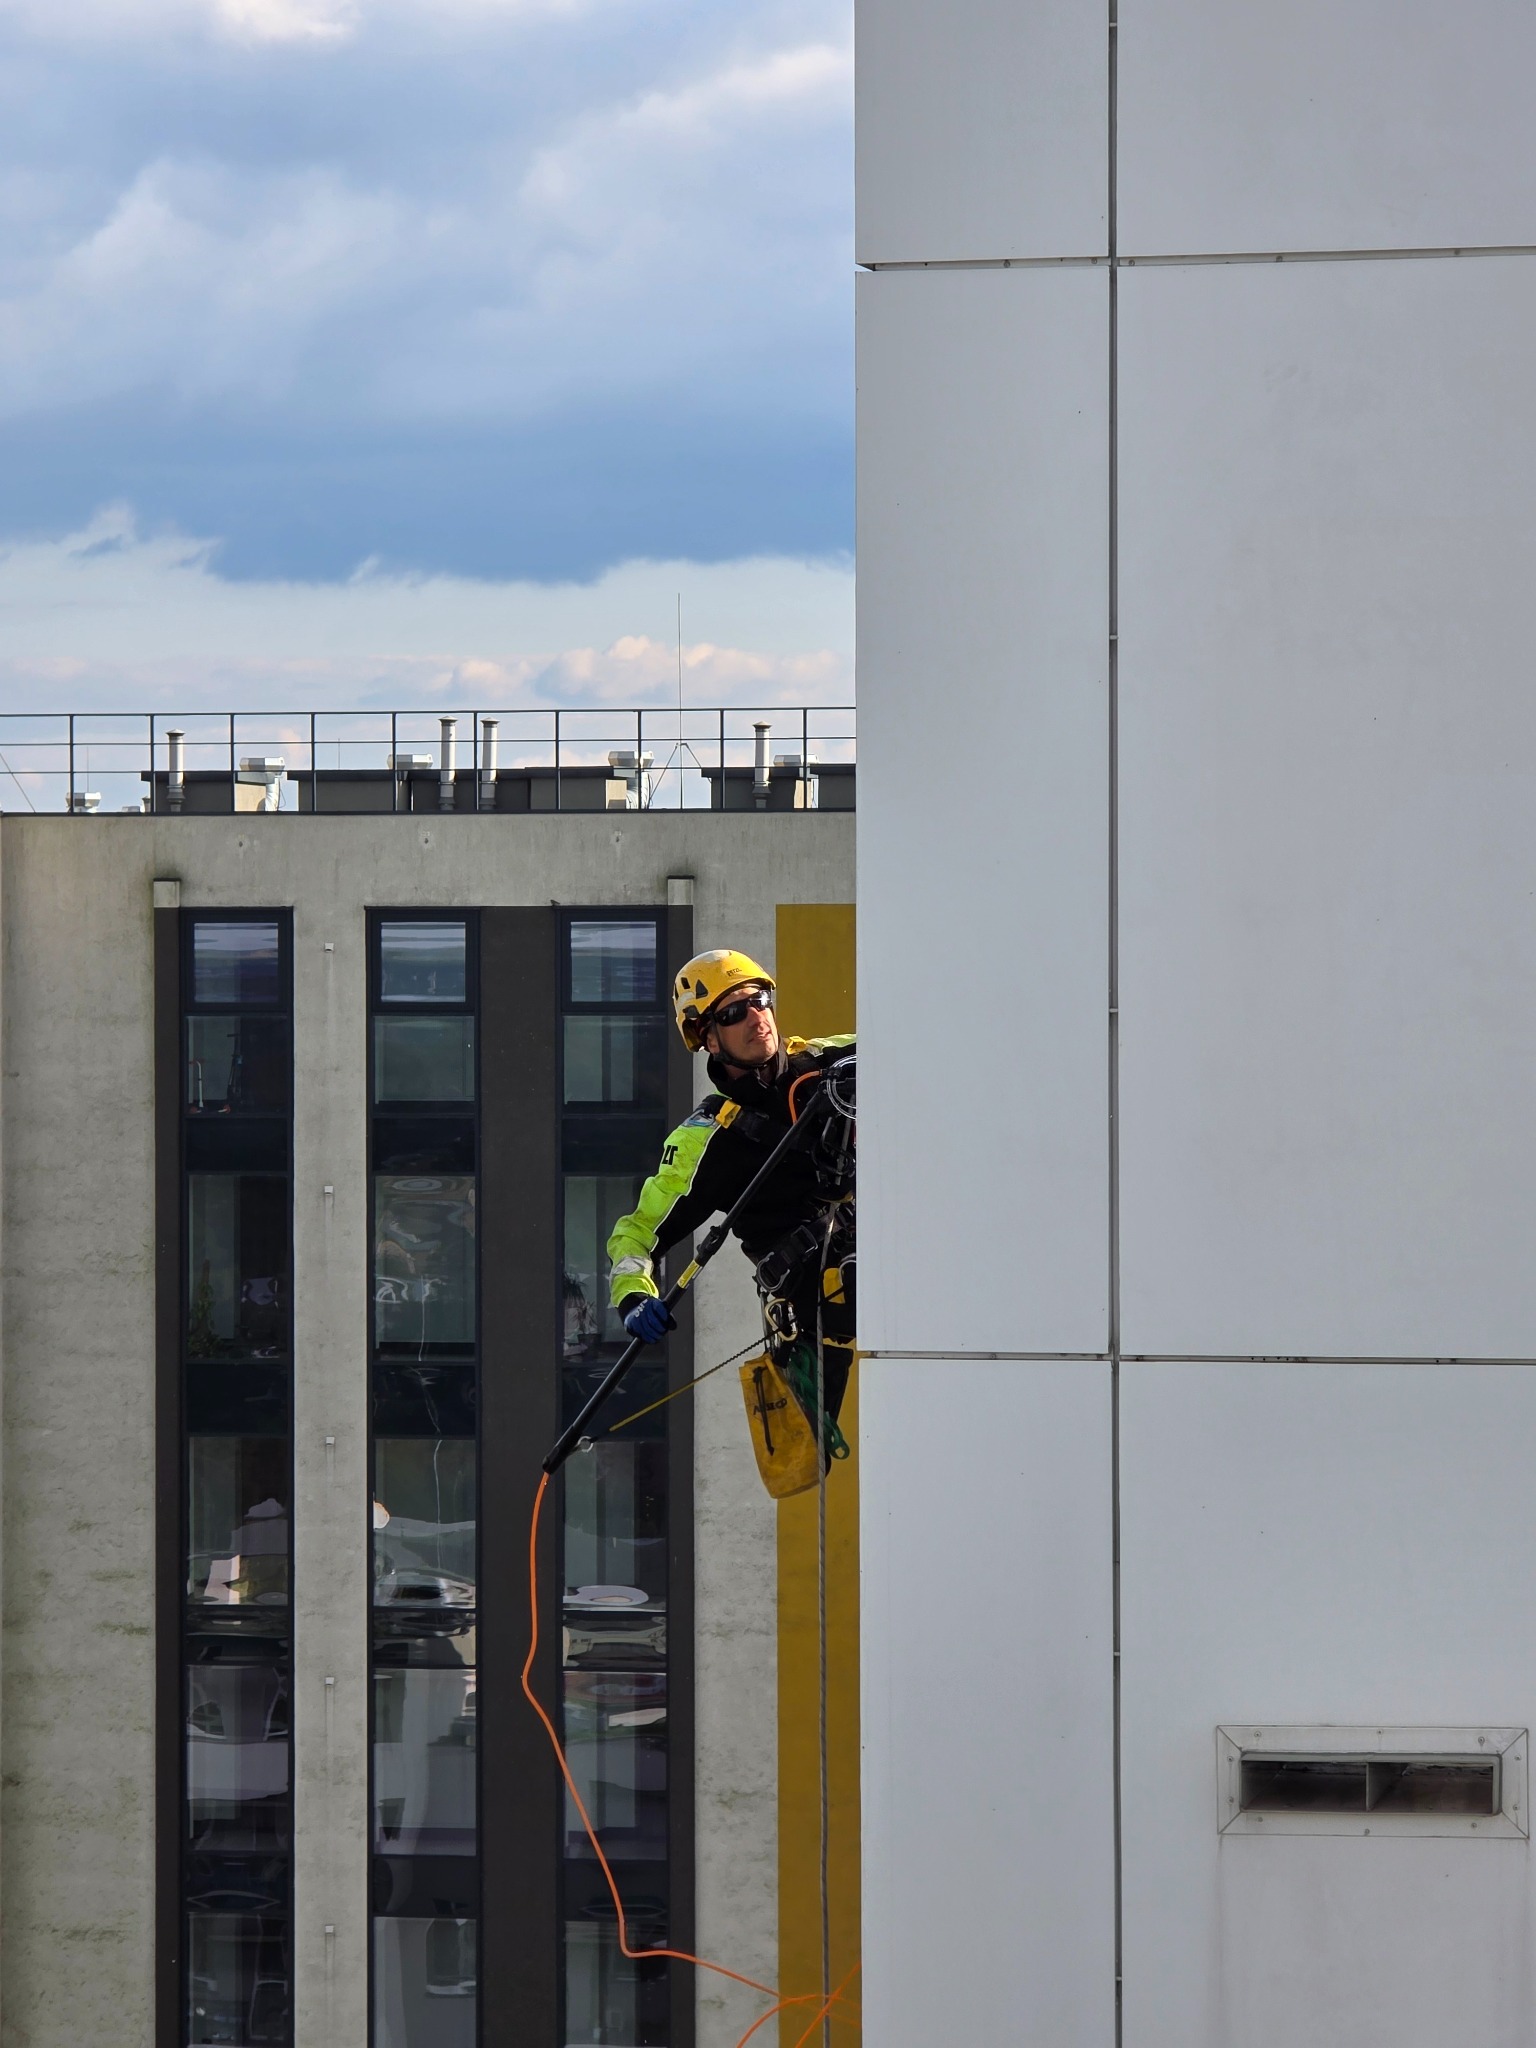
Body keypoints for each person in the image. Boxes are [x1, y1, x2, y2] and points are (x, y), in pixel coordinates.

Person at [606, 948, 856, 1432]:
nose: (756, 1017)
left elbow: (918, 1040)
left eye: (760, 1000)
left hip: (890, 1248)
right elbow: (636, 1235)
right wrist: (633, 1296)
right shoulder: (707, 1141)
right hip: (820, 1296)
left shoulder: (831, 1064)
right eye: (733, 1012)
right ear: (708, 1038)